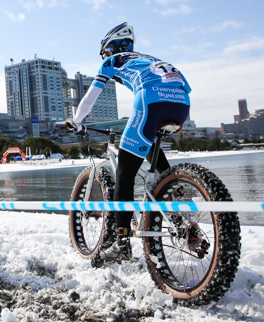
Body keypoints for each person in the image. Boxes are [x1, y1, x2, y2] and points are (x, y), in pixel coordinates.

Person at [65, 22, 191, 264]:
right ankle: (173, 194)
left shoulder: (111, 61)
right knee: (150, 148)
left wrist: (77, 121)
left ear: (109, 48)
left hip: (151, 100)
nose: (104, 57)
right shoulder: (149, 58)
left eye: (104, 53)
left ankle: (121, 242)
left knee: (124, 173)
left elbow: (89, 100)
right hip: (181, 104)